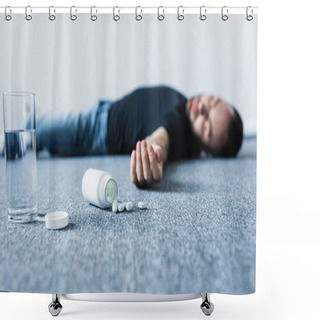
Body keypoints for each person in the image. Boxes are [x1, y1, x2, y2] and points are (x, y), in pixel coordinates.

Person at [35, 85, 243, 188]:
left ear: (205, 150)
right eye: (213, 101)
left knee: (36, 130)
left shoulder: (180, 127)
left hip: (96, 130)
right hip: (108, 109)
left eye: (206, 125)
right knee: (51, 138)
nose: (203, 108)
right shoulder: (183, 106)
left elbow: (163, 137)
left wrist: (152, 153)